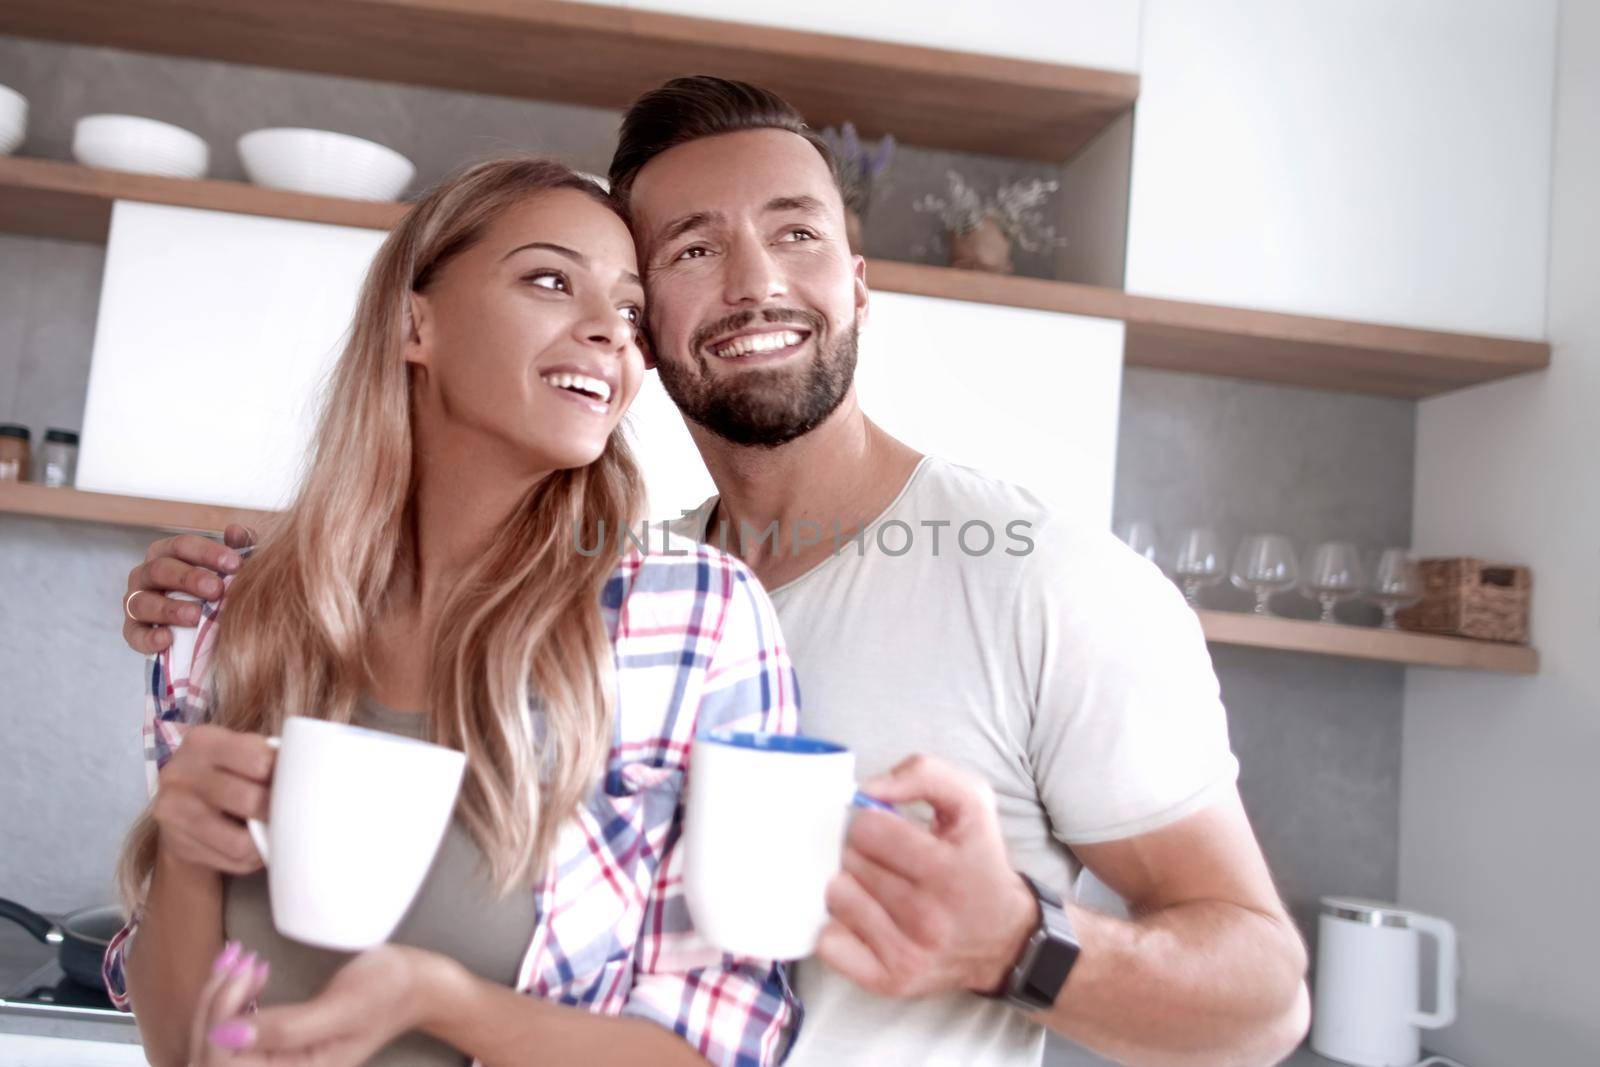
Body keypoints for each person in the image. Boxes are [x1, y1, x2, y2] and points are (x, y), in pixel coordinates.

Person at [124, 78, 1312, 1066]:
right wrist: (238, 602)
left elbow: (1264, 1002)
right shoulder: (640, 592)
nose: (752, 282)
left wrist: (1013, 944)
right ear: (650, 329)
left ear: (859, 281)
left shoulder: (1042, 580)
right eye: (691, 250)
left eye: (797, 231)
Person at [106, 156, 800, 1067]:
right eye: (552, 281)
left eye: (631, 313)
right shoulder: (224, 612)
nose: (611, 336)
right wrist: (188, 854)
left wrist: (443, 1003)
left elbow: (729, 1044)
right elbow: (178, 1048)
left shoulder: (689, 619)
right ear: (414, 323)